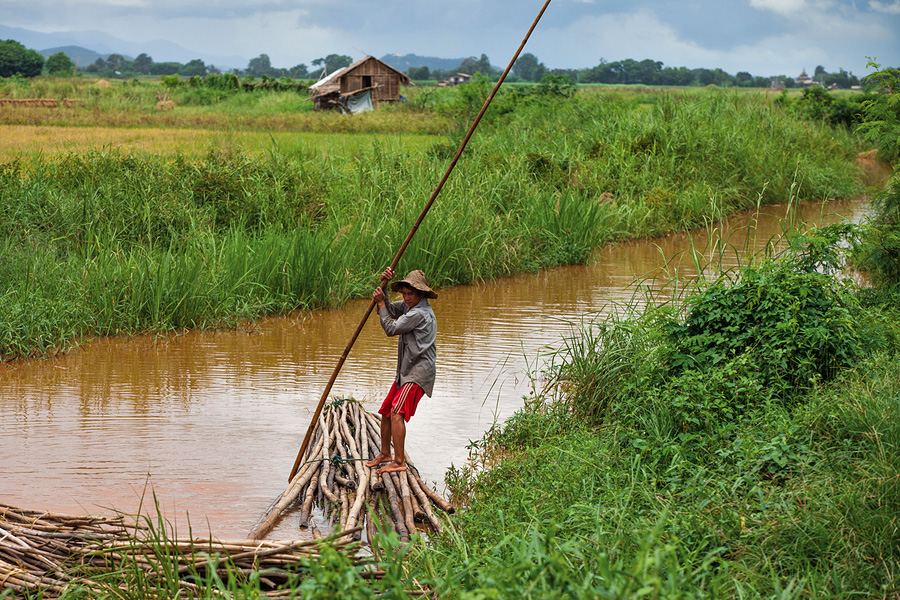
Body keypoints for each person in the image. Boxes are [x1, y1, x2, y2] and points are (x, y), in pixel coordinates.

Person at [365, 267, 437, 474]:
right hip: (405, 372)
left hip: (417, 373)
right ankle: (385, 453)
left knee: (397, 413)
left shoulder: (420, 313)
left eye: (410, 294)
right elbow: (389, 309)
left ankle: (398, 462)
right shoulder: (409, 307)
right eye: (404, 294)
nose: (406, 298)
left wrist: (380, 302)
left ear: (421, 294)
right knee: (387, 410)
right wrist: (384, 286)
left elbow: (390, 328)